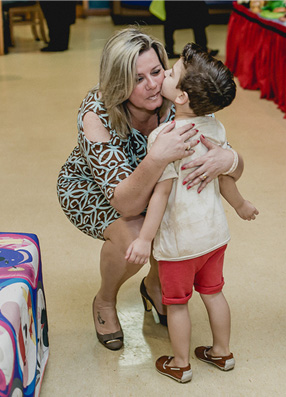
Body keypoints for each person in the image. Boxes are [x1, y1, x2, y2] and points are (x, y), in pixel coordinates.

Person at [56, 28, 240, 352]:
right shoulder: (96, 114)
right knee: (136, 234)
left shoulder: (179, 93)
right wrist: (157, 157)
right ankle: (105, 300)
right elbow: (126, 203)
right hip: (94, 189)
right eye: (138, 79)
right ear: (117, 82)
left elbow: (233, 169)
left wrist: (229, 158)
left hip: (157, 187)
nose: (153, 84)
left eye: (157, 71)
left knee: (171, 219)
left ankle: (155, 288)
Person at [123, 43, 254, 383]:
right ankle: (222, 353)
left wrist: (145, 240)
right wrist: (240, 205)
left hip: (179, 245)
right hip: (214, 236)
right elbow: (224, 178)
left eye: (169, 73)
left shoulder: (164, 137)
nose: (163, 75)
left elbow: (161, 194)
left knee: (177, 304)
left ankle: (180, 363)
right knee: (214, 294)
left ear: (180, 97)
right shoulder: (214, 127)